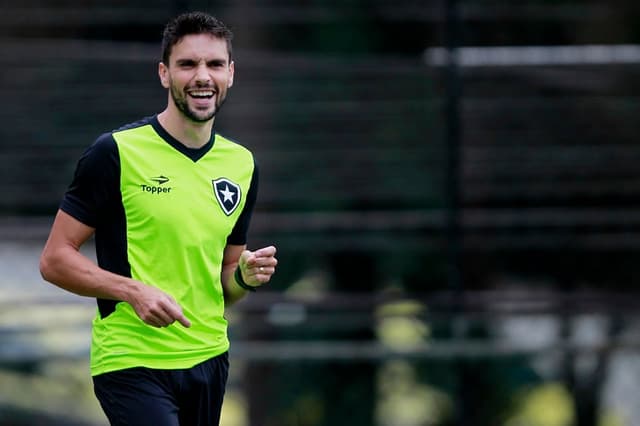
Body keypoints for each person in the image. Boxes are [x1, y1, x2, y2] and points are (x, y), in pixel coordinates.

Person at [39, 11, 277, 426]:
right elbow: (55, 259)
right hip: (130, 360)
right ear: (165, 74)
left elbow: (224, 282)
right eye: (188, 64)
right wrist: (132, 291)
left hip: (208, 358)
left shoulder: (241, 165)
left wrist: (243, 278)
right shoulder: (115, 152)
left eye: (214, 64)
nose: (202, 75)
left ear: (231, 73)